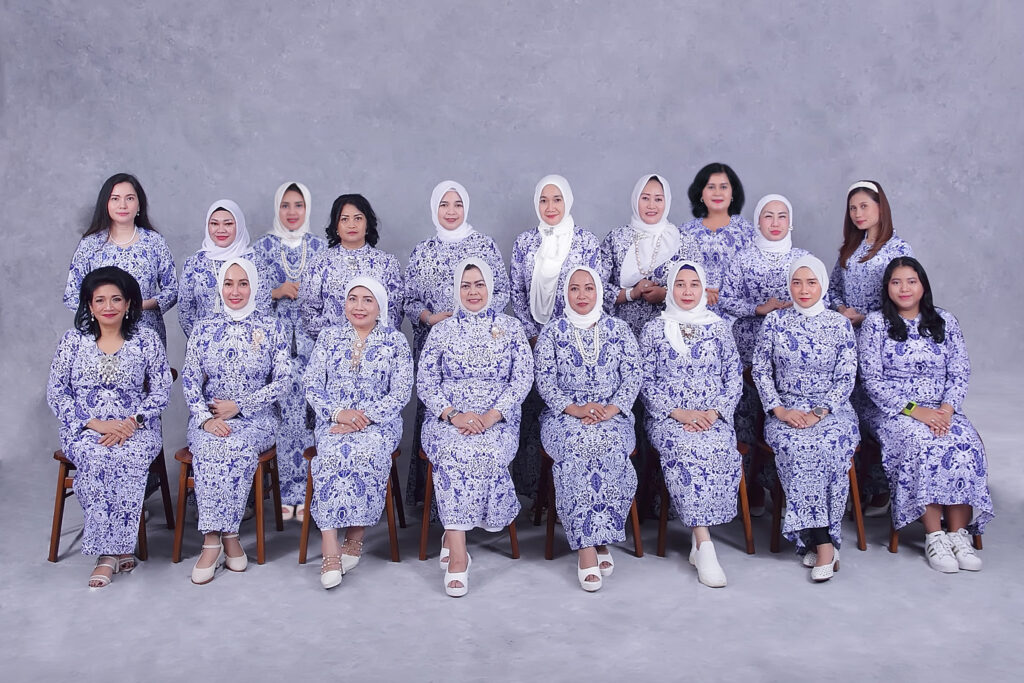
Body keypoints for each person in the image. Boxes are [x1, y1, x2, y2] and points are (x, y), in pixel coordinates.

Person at [858, 257, 992, 573]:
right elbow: (871, 381)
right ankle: (934, 536)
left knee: (964, 441)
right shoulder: (876, 324)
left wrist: (945, 410)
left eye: (911, 281)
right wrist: (916, 411)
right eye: (896, 282)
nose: (904, 289)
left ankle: (958, 535)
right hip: (894, 411)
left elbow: (959, 372)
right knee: (922, 442)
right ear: (887, 288)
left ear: (923, 285)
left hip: (942, 409)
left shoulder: (945, 321)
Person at [47, 266, 172, 588]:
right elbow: (57, 392)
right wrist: (95, 424)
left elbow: (161, 389)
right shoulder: (73, 341)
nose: (108, 306)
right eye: (99, 300)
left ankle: (116, 550)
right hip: (85, 428)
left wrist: (133, 422)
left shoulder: (146, 340)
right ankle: (109, 554)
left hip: (136, 428)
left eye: (116, 299)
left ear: (128, 303)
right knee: (97, 458)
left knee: (128, 458)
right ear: (89, 306)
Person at [417, 258, 534, 597]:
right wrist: (453, 415)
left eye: (479, 284)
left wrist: (492, 415)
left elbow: (522, 378)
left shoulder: (510, 327)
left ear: (490, 288)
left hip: (497, 417)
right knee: (452, 451)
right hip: (447, 418)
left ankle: (452, 533)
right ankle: (458, 553)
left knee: (487, 450)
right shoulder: (442, 330)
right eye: (465, 285)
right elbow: (425, 381)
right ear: (457, 289)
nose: (472, 292)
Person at [182, 257, 290, 585]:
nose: (235, 291)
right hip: (210, 418)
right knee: (211, 446)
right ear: (220, 287)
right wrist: (204, 419)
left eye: (243, 283)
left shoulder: (271, 326)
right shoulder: (203, 328)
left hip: (257, 420)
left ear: (253, 286)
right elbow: (189, 379)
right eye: (228, 283)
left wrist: (240, 405)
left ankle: (223, 537)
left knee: (236, 446)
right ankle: (218, 540)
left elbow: (284, 380)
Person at [752, 255, 859, 582]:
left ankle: (821, 540)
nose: (803, 290)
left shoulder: (838, 324)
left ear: (822, 285)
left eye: (811, 282)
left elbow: (846, 377)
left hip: (832, 411)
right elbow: (761, 370)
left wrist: (819, 412)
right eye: (796, 283)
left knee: (827, 447)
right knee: (799, 449)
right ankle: (822, 542)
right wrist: (779, 410)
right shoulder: (775, 322)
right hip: (786, 410)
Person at [404, 180, 510, 505]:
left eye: (458, 204)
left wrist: (472, 320)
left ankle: (478, 505)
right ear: (434, 209)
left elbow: (502, 291)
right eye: (444, 205)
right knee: (440, 416)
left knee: (479, 424)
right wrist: (430, 318)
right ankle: (437, 505)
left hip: (481, 348)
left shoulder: (485, 246)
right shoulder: (422, 250)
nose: (451, 211)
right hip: (435, 346)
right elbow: (408, 300)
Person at [534, 266, 641, 592]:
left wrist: (611, 409)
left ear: (599, 292)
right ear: (565, 293)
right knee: (578, 447)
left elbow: (633, 375)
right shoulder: (553, 332)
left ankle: (601, 535)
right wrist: (575, 409)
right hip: (564, 417)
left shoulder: (619, 329)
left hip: (612, 416)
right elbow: (544, 381)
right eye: (575, 289)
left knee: (608, 446)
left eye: (589, 288)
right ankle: (586, 548)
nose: (582, 295)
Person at [304, 277, 413, 589]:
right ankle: (330, 549)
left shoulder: (395, 341)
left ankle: (355, 536)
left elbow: (401, 392)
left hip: (379, 423)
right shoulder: (329, 337)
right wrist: (339, 414)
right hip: (333, 421)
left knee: (365, 451)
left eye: (368, 300)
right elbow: (312, 385)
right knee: (329, 456)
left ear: (380, 306)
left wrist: (362, 418)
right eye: (353, 299)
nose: (359, 306)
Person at [640, 261, 743, 587]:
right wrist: (678, 413)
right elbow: (644, 381)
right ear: (670, 289)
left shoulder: (719, 328)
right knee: (687, 446)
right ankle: (704, 542)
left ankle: (701, 544)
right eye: (680, 284)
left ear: (703, 289)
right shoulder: (654, 330)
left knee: (717, 446)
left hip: (713, 417)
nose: (687, 291)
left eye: (694, 284)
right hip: (670, 419)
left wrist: (714, 413)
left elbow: (734, 378)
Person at [509, 174, 609, 499]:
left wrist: (563, 338)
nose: (550, 207)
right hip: (532, 342)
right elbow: (517, 292)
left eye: (557, 199)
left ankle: (566, 494)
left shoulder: (585, 242)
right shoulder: (525, 243)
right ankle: (533, 494)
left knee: (570, 414)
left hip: (574, 346)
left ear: (568, 202)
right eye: (543, 200)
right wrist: (532, 335)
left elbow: (594, 292)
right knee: (534, 412)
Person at [827, 180, 914, 514]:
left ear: (881, 207)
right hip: (848, 339)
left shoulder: (898, 249)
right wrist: (841, 310)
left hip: (882, 340)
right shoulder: (851, 249)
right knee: (853, 407)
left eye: (864, 206)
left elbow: (906, 298)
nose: (858, 213)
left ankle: (881, 486)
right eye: (853, 208)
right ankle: (856, 484)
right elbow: (832, 289)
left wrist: (867, 317)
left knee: (878, 408)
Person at [718, 194, 808, 510]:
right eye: (768, 216)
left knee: (780, 414)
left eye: (782, 216)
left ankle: (777, 486)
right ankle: (747, 490)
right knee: (746, 415)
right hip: (747, 349)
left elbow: (817, 299)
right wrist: (759, 308)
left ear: (790, 222)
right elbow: (725, 299)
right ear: (758, 221)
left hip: (788, 355)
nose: (775, 223)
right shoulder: (743, 258)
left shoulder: (802, 259)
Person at [251, 182, 327, 521]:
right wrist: (276, 291)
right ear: (277, 209)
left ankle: (311, 492)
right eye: (285, 205)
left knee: (313, 416)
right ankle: (285, 493)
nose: (292, 212)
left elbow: (332, 297)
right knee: (282, 418)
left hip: (315, 347)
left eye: (298, 205)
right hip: (275, 346)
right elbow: (243, 297)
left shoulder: (321, 247)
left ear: (307, 208)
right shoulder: (261, 248)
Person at [64, 173, 177, 346]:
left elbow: (173, 289)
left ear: (139, 204)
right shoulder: (90, 244)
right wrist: (102, 315)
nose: (122, 205)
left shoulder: (154, 242)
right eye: (115, 199)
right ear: (106, 204)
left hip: (146, 334)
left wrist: (141, 305)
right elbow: (72, 294)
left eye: (129, 198)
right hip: (101, 334)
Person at [600, 173, 698, 338]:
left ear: (667, 202)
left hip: (668, 335)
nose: (651, 205)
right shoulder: (616, 238)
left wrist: (665, 294)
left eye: (658, 199)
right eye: (645, 198)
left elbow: (699, 287)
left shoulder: (683, 241)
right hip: (621, 333)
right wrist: (631, 294)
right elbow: (595, 286)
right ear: (635, 199)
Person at [300, 193, 404, 337]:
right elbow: (308, 312)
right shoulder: (319, 264)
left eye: (358, 218)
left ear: (367, 224)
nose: (351, 225)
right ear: (336, 225)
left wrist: (370, 341)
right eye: (344, 219)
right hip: (331, 345)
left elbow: (394, 311)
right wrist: (338, 340)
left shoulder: (387, 263)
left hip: (377, 345)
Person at [179, 200, 273, 338]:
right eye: (214, 224)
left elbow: (263, 308)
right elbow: (185, 311)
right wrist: (202, 341)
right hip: (203, 343)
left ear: (239, 225)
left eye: (228, 224)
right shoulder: (194, 263)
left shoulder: (255, 262)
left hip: (247, 342)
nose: (221, 230)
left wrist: (244, 341)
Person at [679, 163, 754, 313]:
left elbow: (755, 278)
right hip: (693, 311)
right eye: (711, 187)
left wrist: (726, 295)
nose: (717, 193)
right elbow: (675, 274)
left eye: (724, 187)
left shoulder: (748, 232)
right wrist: (701, 292)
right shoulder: (684, 232)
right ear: (701, 192)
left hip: (737, 315)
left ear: (733, 192)